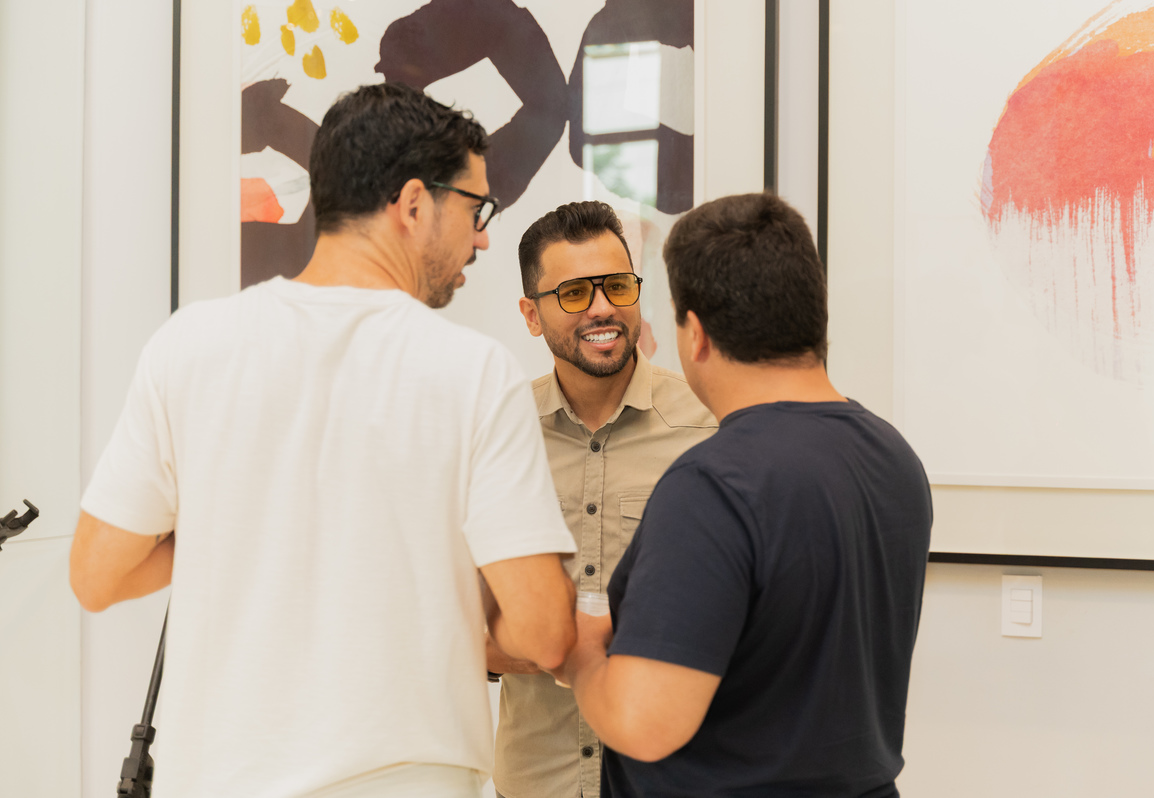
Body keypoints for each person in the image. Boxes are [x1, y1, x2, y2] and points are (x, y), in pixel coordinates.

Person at [69, 83, 579, 798]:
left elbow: (97, 575)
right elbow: (544, 632)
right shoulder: (472, 373)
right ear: (413, 205)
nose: (483, 236)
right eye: (476, 209)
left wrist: (239, 526)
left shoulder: (190, 347)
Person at [556, 193, 934, 797]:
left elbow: (644, 724)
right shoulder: (894, 459)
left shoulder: (712, 484)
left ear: (698, 335)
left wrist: (580, 656)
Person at [490, 201, 716, 798]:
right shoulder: (498, 433)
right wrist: (561, 645)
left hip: (668, 780)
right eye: (573, 293)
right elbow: (462, 620)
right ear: (531, 315)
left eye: (617, 286)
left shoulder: (709, 427)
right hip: (536, 781)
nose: (601, 309)